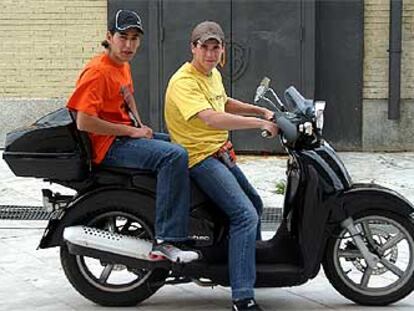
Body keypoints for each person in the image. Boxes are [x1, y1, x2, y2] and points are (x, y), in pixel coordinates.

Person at [66, 9, 199, 264]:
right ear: (109, 37)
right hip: (109, 145)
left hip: (125, 137)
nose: (129, 44)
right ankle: (168, 240)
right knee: (174, 156)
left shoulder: (121, 65)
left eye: (134, 38)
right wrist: (132, 131)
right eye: (123, 37)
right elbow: (84, 121)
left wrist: (141, 126)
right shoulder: (97, 71)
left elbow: (126, 97)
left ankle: (191, 217)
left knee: (184, 145)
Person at [164, 21, 278, 311]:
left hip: (218, 153)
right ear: (193, 48)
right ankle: (242, 296)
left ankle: (249, 266)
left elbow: (222, 103)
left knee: (255, 204)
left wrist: (260, 109)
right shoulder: (184, 82)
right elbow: (211, 118)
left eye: (216, 47)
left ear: (222, 49)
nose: (211, 54)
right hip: (199, 158)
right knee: (245, 215)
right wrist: (259, 123)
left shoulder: (211, 74)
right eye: (205, 47)